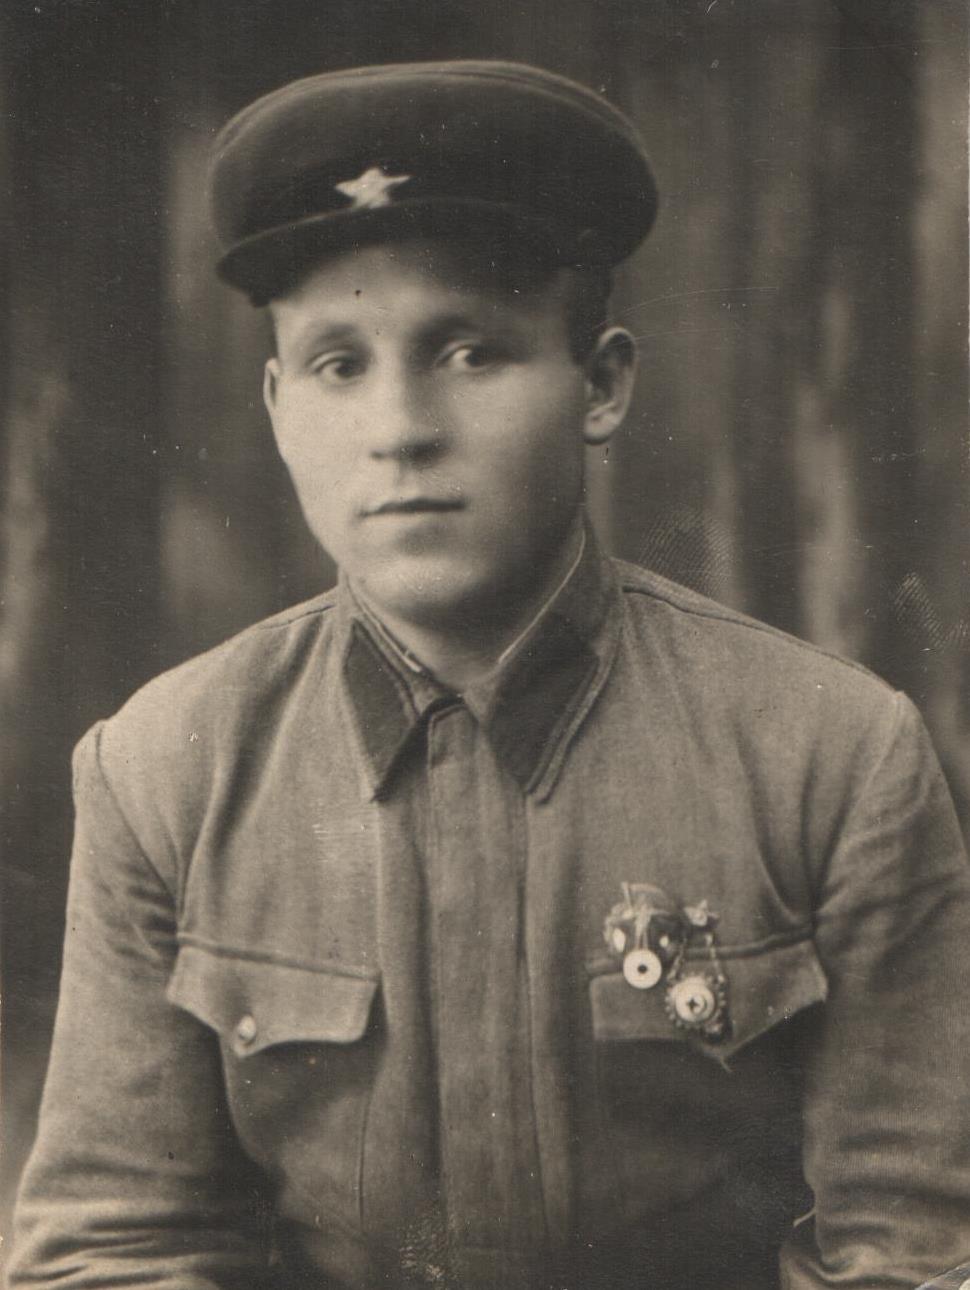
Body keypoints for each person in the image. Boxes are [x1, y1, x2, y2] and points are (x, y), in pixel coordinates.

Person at [8, 60, 970, 1290]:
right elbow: (115, 1246)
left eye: (469, 351)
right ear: (278, 405)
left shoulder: (830, 754)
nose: (399, 429)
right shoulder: (164, 768)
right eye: (339, 364)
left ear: (601, 384)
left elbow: (914, 1254)